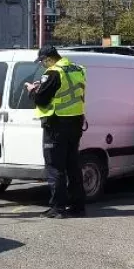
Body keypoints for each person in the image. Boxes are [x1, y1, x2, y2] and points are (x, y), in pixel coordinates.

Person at [22, 45, 87, 218]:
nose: (42, 64)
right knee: (73, 166)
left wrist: (32, 90)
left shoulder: (53, 72)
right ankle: (78, 206)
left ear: (49, 58)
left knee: (55, 167)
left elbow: (41, 100)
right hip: (75, 122)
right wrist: (43, 87)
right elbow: (65, 91)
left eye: (43, 61)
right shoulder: (77, 69)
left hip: (56, 124)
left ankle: (58, 208)